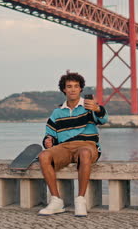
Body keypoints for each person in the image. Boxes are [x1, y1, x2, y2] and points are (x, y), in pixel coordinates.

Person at [38, 72, 108, 217]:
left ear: (81, 89)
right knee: (44, 155)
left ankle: (80, 200)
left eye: (76, 86)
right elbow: (50, 134)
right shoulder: (57, 112)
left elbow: (103, 119)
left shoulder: (89, 106)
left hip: (87, 145)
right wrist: (48, 141)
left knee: (84, 153)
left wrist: (97, 109)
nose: (73, 89)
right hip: (64, 147)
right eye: (69, 86)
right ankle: (56, 201)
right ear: (64, 89)